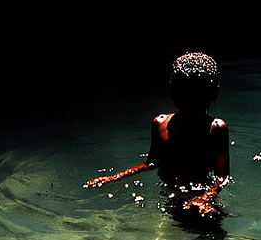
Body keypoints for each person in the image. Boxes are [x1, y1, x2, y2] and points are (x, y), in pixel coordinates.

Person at [83, 52, 230, 218]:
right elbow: (151, 163)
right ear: (175, 94)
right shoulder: (160, 124)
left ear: (210, 96)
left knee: (209, 223)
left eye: (197, 96)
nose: (190, 102)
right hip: (170, 195)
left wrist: (205, 198)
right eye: (186, 95)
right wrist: (115, 177)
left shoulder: (216, 128)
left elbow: (222, 177)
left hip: (202, 196)